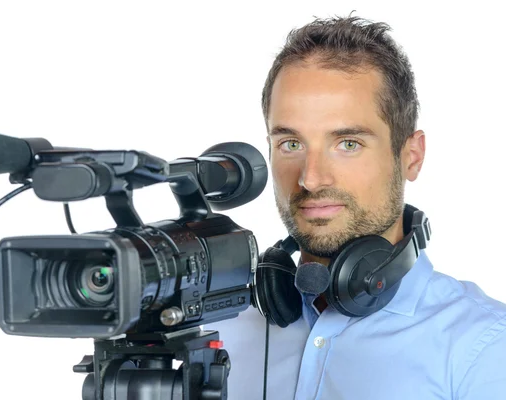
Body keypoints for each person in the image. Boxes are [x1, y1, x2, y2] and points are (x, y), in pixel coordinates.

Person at [204, 15, 506, 399]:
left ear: (411, 157)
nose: (311, 178)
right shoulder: (214, 334)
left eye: (348, 143)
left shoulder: (486, 349)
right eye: (291, 144)